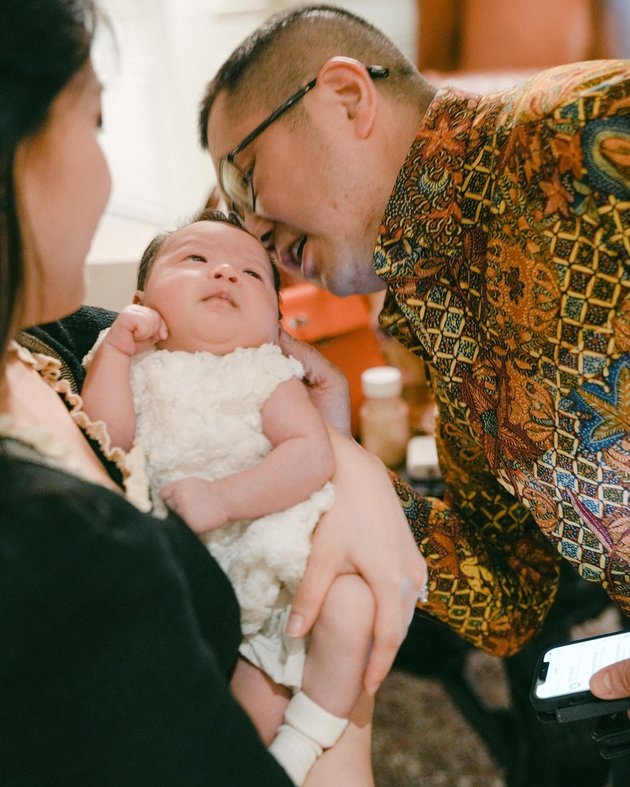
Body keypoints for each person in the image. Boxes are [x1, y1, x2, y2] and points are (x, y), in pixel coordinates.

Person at [0, 1, 426, 784]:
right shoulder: (55, 539)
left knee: (344, 620)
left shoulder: (48, 344)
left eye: (255, 268)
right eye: (94, 123)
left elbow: (294, 424)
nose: (243, 251)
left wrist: (346, 460)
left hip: (277, 571)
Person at [200, 4, 629, 673]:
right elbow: (508, 595)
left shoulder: (569, 127)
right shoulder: (431, 320)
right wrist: (330, 454)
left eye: (243, 175)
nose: (251, 232)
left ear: (346, 97)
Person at [81, 209, 377, 785]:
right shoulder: (127, 360)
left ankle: (302, 740)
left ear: (275, 321)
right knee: (220, 709)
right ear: (141, 298)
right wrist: (116, 353)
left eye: (251, 273)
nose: (224, 274)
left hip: (275, 571)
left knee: (350, 610)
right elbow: (104, 440)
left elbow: (310, 454)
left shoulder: (266, 372)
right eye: (195, 260)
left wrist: (222, 498)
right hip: (192, 587)